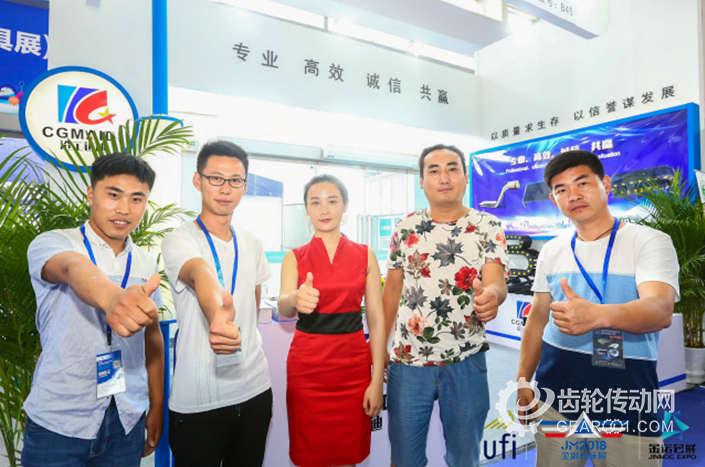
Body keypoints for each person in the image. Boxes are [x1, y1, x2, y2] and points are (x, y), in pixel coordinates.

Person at [516, 150, 679, 466]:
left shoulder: (648, 241)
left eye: (582, 183)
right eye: (561, 189)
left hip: (626, 400)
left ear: (605, 184)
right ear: (553, 200)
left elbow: (660, 310)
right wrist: (523, 378)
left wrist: (598, 316)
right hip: (556, 398)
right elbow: (537, 318)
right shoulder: (552, 250)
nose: (573, 195)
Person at [22, 153, 164, 466]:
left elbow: (152, 339)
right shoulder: (55, 243)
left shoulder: (145, 262)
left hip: (126, 418)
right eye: (113, 195)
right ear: (91, 193)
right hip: (59, 421)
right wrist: (113, 298)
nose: (124, 209)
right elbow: (72, 268)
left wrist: (156, 406)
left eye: (137, 199)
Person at [382, 144, 509, 467]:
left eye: (453, 169)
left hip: (466, 360)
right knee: (404, 459)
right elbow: (392, 291)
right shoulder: (405, 228)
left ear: (465, 178)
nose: (444, 177)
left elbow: (495, 280)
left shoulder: (488, 225)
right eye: (434, 170)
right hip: (408, 362)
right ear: (421, 181)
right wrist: (379, 346)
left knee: (464, 458)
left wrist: (492, 296)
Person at [162, 140, 272, 467]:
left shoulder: (251, 242)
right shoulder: (180, 239)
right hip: (199, 399)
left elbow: (252, 307)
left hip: (254, 389)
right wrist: (217, 317)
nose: (225, 188)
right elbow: (199, 274)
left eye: (235, 180)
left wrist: (233, 324)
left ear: (245, 186)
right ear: (198, 180)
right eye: (216, 178)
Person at [277, 174, 385, 467]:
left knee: (347, 455)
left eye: (332, 201)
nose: (324, 209)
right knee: (310, 454)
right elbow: (284, 306)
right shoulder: (294, 257)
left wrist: (376, 379)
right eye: (315, 202)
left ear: (345, 205)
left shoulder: (366, 255)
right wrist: (295, 299)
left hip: (353, 369)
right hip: (308, 369)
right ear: (306, 209)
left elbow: (376, 320)